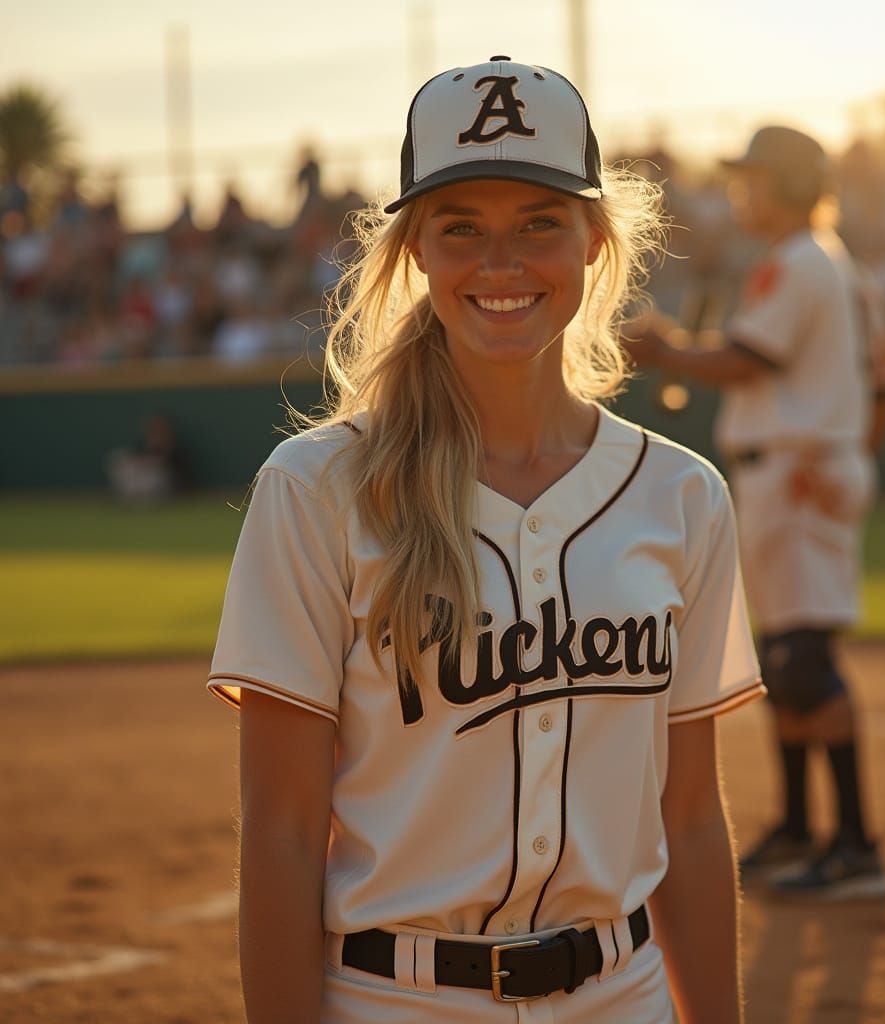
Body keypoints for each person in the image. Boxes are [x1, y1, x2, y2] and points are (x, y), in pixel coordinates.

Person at [207, 58, 765, 1023]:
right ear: (416, 248)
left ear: (594, 240)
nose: (498, 263)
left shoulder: (681, 496)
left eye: (538, 223)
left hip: (623, 997)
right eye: (460, 227)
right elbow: (286, 832)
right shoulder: (316, 490)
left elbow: (689, 817)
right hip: (393, 1000)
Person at [627, 125, 885, 900]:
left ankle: (856, 844)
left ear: (784, 183)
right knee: (786, 659)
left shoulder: (801, 263)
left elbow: (749, 360)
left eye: (751, 178)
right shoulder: (834, 265)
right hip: (799, 466)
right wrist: (851, 450)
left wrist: (668, 350)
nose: (740, 190)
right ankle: (797, 829)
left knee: (805, 658)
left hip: (795, 470)